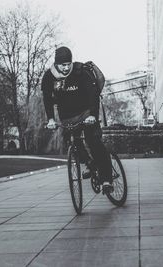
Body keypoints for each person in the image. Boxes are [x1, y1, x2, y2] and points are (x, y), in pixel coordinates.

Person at [41, 46, 113, 192]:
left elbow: (93, 94)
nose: (67, 68)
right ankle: (90, 165)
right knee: (73, 143)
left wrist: (93, 114)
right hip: (67, 117)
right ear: (56, 64)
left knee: (93, 141)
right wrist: (50, 119)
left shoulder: (81, 72)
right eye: (63, 65)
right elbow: (47, 99)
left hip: (86, 112)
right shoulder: (49, 77)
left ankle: (107, 180)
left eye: (69, 64)